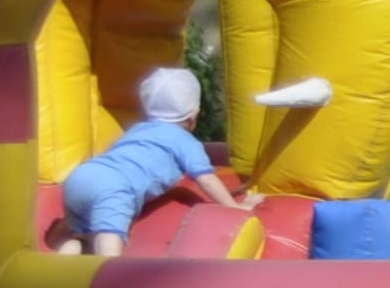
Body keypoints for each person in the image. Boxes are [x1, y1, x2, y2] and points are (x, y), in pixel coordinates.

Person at [58, 64, 256, 255]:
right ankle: (108, 282)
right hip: (114, 187)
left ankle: (58, 274)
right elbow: (207, 180)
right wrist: (234, 207)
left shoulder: (137, 130)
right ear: (193, 114)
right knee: (109, 239)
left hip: (81, 176)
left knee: (81, 238)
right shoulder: (185, 141)